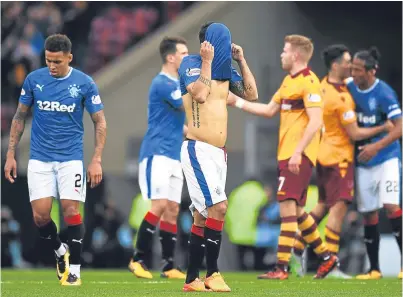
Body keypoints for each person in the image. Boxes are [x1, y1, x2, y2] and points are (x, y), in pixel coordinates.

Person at [228, 34, 338, 280]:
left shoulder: (309, 82)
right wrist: (236, 102)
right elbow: (269, 110)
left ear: (296, 55)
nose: (281, 54)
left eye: (285, 50)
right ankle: (326, 257)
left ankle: (281, 267)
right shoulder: (289, 81)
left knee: (287, 209)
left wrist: (298, 151)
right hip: (286, 154)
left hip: (297, 155)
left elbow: (317, 120)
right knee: (297, 211)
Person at [4, 34, 107, 286]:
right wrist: (9, 154)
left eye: (57, 61)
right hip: (40, 159)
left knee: (71, 210)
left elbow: (99, 121)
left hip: (70, 158)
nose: (52, 66)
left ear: (69, 58)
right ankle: (61, 252)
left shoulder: (85, 83)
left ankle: (76, 272)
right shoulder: (33, 80)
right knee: (40, 218)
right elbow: (19, 117)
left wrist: (96, 159)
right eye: (48, 60)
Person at [292, 44, 391, 278]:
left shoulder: (323, 86)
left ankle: (295, 248)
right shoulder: (341, 98)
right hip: (339, 159)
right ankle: (331, 266)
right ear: (336, 65)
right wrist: (384, 127)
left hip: (323, 155)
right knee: (338, 210)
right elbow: (355, 134)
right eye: (348, 62)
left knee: (323, 206)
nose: (351, 65)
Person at [179, 22, 258, 292]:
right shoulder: (190, 64)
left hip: (218, 154)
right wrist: (207, 61)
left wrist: (242, 60)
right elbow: (200, 95)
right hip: (197, 147)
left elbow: (252, 94)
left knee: (203, 216)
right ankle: (212, 273)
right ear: (208, 43)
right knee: (220, 207)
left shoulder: (226, 72)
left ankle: (191, 279)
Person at [128, 37, 189, 279]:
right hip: (157, 153)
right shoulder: (162, 83)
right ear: (170, 57)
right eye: (184, 53)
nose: (188, 57)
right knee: (160, 205)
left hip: (174, 154)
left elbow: (179, 125)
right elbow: (186, 104)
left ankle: (169, 265)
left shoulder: (174, 83)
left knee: (173, 209)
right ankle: (137, 258)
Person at [347, 47, 402, 280]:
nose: (353, 73)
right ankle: (374, 269)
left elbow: (399, 127)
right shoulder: (348, 86)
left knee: (390, 206)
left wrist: (375, 146)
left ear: (371, 71)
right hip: (363, 162)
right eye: (352, 69)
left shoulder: (384, 93)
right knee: (369, 213)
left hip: (386, 158)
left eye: (358, 70)